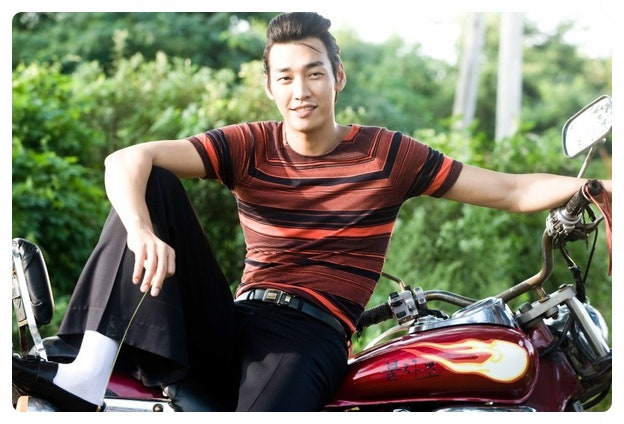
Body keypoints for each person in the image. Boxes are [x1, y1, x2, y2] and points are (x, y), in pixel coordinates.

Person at [12, 12, 612, 412]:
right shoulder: (251, 144)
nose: (301, 90)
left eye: (314, 73)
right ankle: (86, 373)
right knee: (155, 181)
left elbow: (508, 190)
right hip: (233, 319)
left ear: (337, 77)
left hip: (309, 335)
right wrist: (143, 231)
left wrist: (597, 187)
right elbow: (125, 159)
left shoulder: (387, 154)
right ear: (270, 87)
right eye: (287, 77)